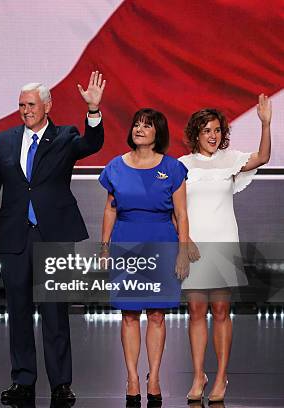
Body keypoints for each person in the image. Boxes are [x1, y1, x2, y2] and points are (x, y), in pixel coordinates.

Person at [0, 72, 106, 403]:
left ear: (47, 105)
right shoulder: (5, 141)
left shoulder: (65, 137)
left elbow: (92, 144)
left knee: (55, 312)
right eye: (21, 105)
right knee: (18, 311)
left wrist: (94, 112)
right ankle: (23, 380)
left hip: (53, 235)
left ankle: (60, 383)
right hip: (15, 236)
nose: (25, 110)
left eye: (31, 104)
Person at [179, 95, 272, 404]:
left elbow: (262, 157)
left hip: (222, 242)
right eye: (206, 130)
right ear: (195, 134)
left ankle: (220, 376)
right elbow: (175, 209)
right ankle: (198, 375)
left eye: (217, 130)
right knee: (195, 311)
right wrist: (184, 239)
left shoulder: (231, 160)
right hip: (193, 245)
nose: (213, 135)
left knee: (220, 310)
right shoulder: (183, 165)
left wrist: (266, 123)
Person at [98, 108, 190, 406]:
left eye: (147, 126)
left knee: (157, 315)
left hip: (162, 242)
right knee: (128, 315)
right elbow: (110, 208)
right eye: (136, 124)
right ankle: (133, 377)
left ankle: (154, 377)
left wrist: (183, 249)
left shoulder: (173, 168)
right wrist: (104, 246)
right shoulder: (115, 167)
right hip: (126, 243)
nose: (139, 129)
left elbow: (181, 213)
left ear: (157, 133)